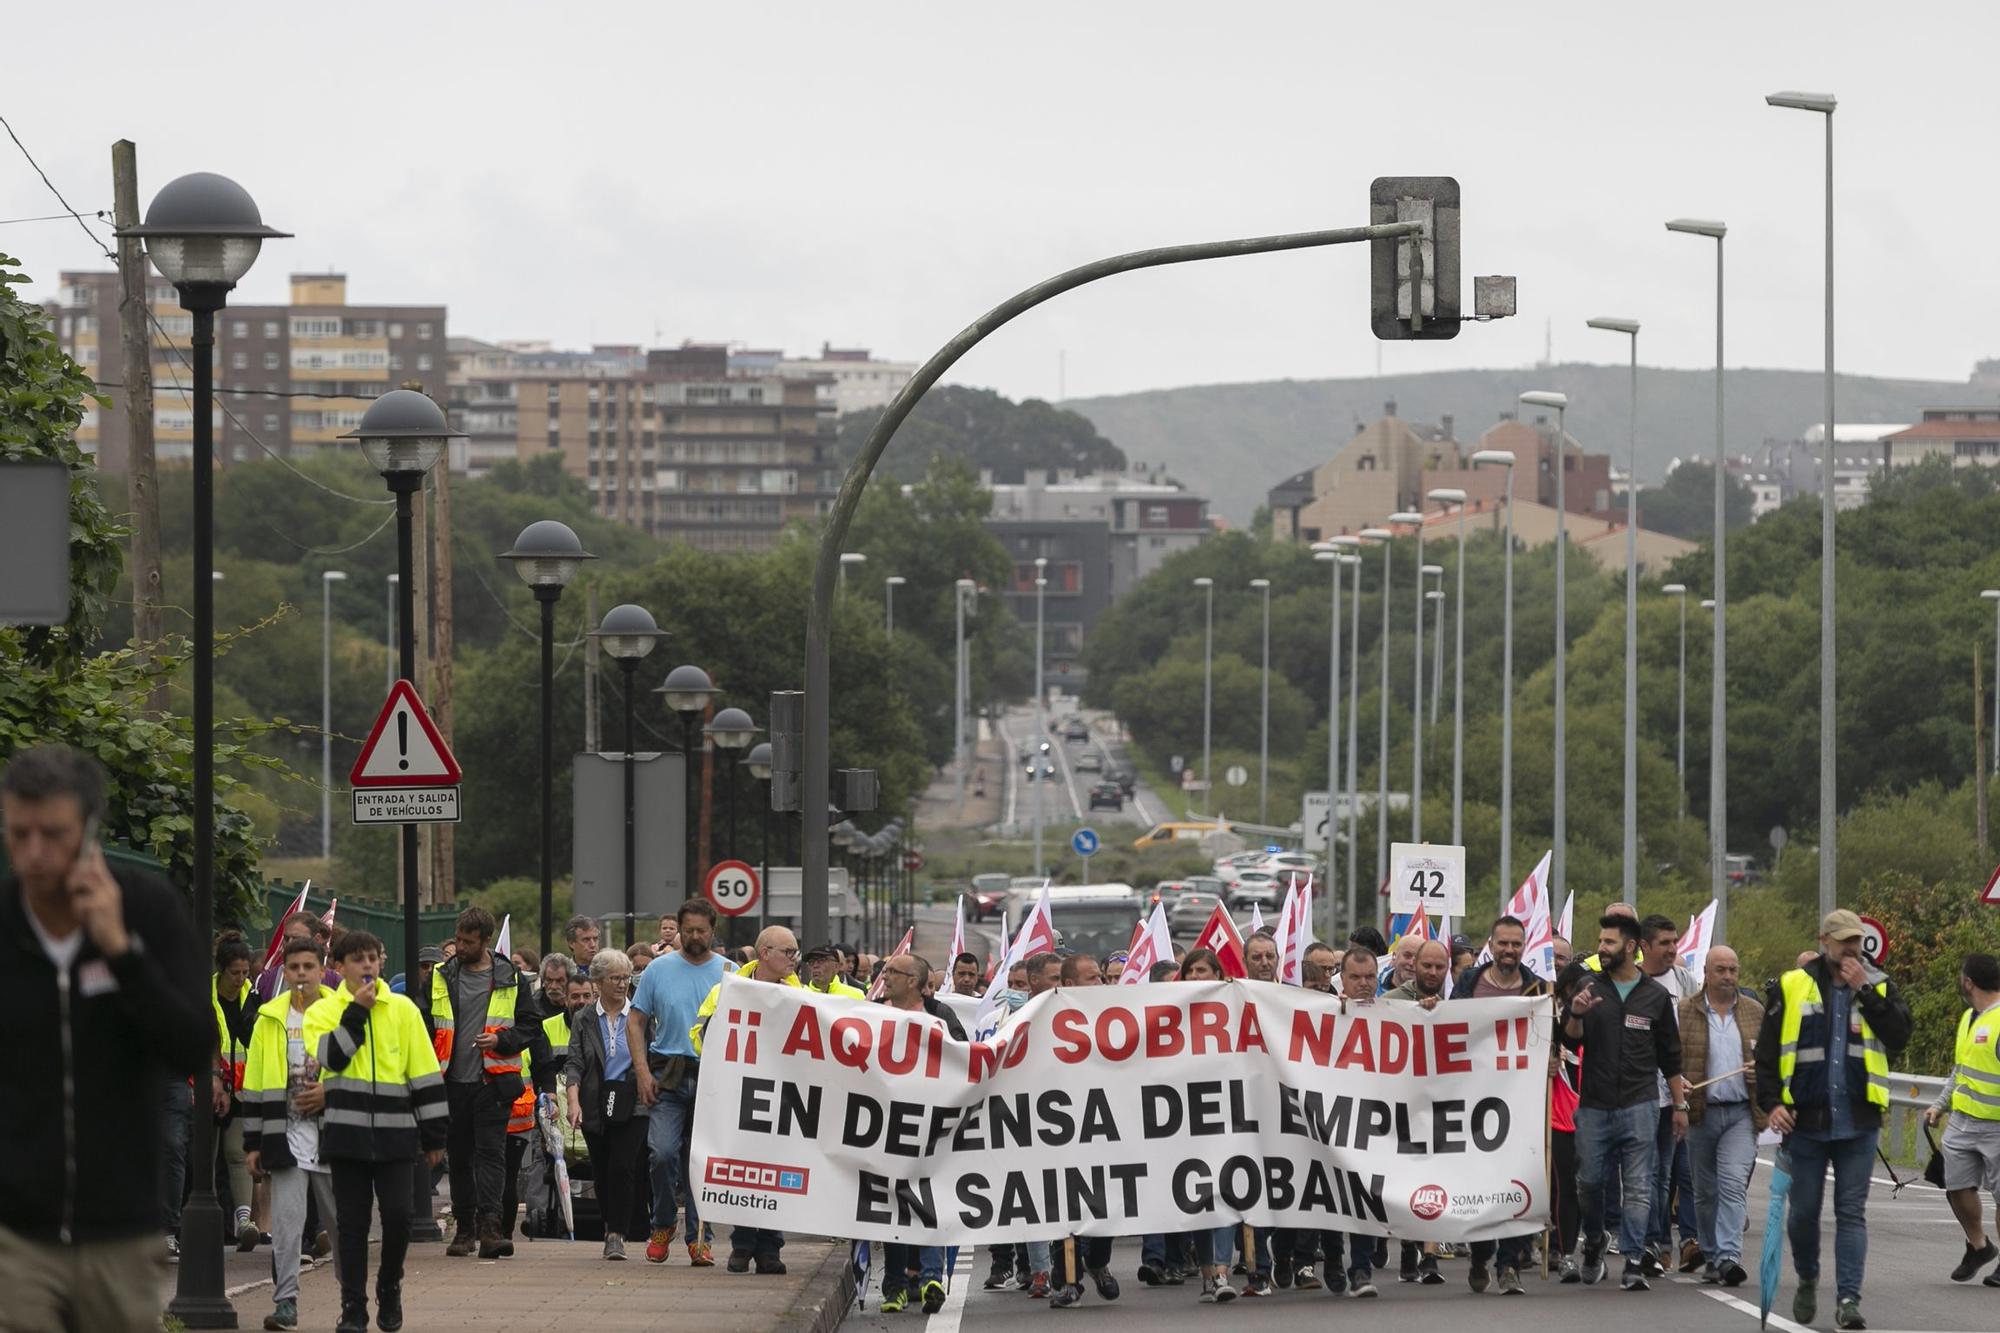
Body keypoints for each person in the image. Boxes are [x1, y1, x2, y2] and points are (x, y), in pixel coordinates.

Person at [0, 745, 211, 1331]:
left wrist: (122, 952)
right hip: (15, 1235)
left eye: (54, 834)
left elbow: (194, 1045)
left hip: (120, 1230)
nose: (34, 853)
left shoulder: (148, 911)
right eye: (19, 834)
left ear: (89, 829)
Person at [1759, 910, 1913, 1329]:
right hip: (1805, 1122)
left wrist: (1867, 990)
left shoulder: (1878, 984)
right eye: (1844, 940)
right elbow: (1767, 1052)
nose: (1851, 948)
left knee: (1851, 1212)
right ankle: (1808, 1276)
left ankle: (1848, 1299)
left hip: (1859, 1122)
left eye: (1857, 941)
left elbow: (1900, 1034)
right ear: (1823, 939)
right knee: (1804, 1213)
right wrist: (1771, 1102)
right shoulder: (1793, 985)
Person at [307, 929, 446, 1333]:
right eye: (357, 959)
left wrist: (435, 1135)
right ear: (340, 967)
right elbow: (330, 1058)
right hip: (346, 1137)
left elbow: (423, 1072)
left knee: (400, 1218)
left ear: (381, 962)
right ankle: (353, 1306)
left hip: (396, 1136)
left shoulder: (403, 1010)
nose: (367, 965)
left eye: (372, 957)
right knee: (351, 1225)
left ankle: (390, 1285)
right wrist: (357, 1012)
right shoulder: (322, 1012)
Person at [1564, 912, 1682, 1292]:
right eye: (1600, 941)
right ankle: (1595, 1240)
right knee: (1589, 1182)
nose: (1602, 947)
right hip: (1595, 1105)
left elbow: (1671, 1056)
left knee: (1638, 1186)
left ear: (1630, 947)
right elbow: (1569, 1041)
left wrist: (1679, 1106)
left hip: (1640, 1105)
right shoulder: (1588, 986)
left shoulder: (1656, 996)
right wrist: (1576, 1013)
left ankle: (1633, 1259)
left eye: (1609, 942)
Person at [428, 905, 548, 1261]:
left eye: (468, 942)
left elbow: (530, 1026)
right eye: (459, 940)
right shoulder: (441, 975)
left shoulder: (509, 976)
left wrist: (502, 1041)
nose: (460, 947)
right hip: (451, 1081)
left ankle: (490, 1228)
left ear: (485, 941)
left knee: (491, 1155)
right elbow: (424, 1025)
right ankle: (464, 1229)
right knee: (460, 1157)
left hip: (493, 1082)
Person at [692, 925, 803, 1273]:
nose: (794, 960)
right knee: (743, 1170)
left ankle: (770, 1248)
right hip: (740, 1093)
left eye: (796, 953)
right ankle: (742, 1244)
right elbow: (700, 1036)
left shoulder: (798, 994)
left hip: (782, 1096)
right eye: (789, 952)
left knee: (776, 1170)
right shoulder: (728, 989)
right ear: (765, 953)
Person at [243, 936, 340, 1331]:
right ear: (285, 971)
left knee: (343, 1227)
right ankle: (286, 1303)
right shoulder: (270, 1018)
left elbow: (368, 1072)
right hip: (285, 1138)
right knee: (285, 1228)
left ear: (322, 970)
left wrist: (329, 1093)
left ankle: (354, 1302)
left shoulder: (343, 1014)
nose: (301, 974)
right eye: (294, 967)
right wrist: (252, 1143)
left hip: (334, 1137)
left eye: (308, 967)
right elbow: (254, 1082)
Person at [631, 899, 734, 1266]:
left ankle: (700, 1236)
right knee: (661, 1153)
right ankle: (662, 1223)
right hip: (666, 1074)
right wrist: (642, 1071)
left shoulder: (731, 972)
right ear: (678, 928)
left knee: (701, 1161)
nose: (693, 936)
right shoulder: (658, 970)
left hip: (713, 1077)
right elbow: (636, 1021)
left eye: (701, 930)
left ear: (712, 930)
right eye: (687, 929)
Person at [1450, 915, 1546, 1295]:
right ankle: (1480, 1254)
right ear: (1490, 945)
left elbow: (1549, 1036)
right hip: (1475, 1103)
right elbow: (1449, 1027)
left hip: (1521, 1103)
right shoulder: (1469, 983)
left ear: (1524, 947)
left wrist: (1551, 1056)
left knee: (1517, 1185)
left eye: (1516, 944)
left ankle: (1510, 1265)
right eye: (1503, 943)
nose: (1509, 951)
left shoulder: (1539, 987)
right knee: (1481, 1186)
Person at [1678, 944, 1764, 1289]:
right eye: (1721, 970)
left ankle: (1729, 1257)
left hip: (1742, 1114)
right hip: (1701, 1112)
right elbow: (1669, 1059)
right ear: (1707, 974)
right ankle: (1712, 1255)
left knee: (1732, 1182)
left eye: (1733, 970)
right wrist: (1677, 1084)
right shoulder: (1686, 1012)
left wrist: (1763, 1073)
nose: (1728, 976)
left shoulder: (1756, 1012)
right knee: (1704, 1190)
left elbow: (1773, 1059)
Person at [876, 954, 959, 1313]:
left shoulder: (940, 1017)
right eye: (885, 971)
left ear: (913, 981)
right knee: (892, 1208)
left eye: (893, 972)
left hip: (932, 1128)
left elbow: (966, 1062)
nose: (885, 976)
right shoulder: (874, 1014)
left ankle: (930, 1280)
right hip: (885, 1127)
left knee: (930, 1203)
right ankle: (894, 1286)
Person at [564, 949, 648, 1261]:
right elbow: (575, 1062)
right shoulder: (585, 1018)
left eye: (626, 977)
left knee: (623, 1166)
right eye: (615, 977)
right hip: (595, 1103)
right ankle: (608, 1226)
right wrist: (574, 1102)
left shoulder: (640, 1013)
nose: (622, 983)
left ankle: (616, 1234)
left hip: (634, 1101)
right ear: (598, 981)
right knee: (601, 1170)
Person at [1048, 953, 1119, 1309]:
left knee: (1106, 1203)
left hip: (1105, 1128)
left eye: (1102, 978)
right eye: (1093, 978)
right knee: (1064, 1203)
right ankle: (1067, 1280)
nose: (1101, 985)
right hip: (1061, 1128)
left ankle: (1098, 1261)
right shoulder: (1046, 1018)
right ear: (1070, 985)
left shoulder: (1117, 1018)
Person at [1926, 952, 2000, 1287]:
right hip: (1963, 1123)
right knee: (1954, 1185)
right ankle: (1978, 1245)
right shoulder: (1970, 1018)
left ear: (1968, 981)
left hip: (1997, 1125)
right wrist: (1940, 1104)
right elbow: (1960, 1069)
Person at [1636, 914, 1700, 1277]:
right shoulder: (1634, 983)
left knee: (1681, 1174)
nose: (1674, 949)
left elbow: (1694, 1032)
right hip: (1644, 1093)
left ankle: (1680, 1242)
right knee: (1653, 1174)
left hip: (1680, 1091)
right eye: (1665, 943)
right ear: (1644, 946)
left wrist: (1687, 1078)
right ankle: (1654, 1242)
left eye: (1675, 941)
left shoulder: (1684, 980)